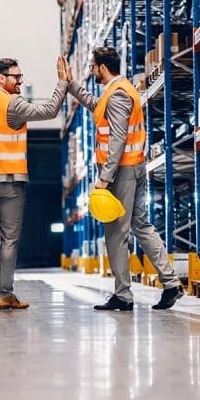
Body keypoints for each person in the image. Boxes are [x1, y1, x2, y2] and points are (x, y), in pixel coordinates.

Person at [63, 47, 183, 311]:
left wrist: (105, 178)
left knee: (116, 233)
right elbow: (97, 107)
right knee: (141, 224)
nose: (92, 71)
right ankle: (172, 283)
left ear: (103, 67)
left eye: (93, 67)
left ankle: (123, 295)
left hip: (122, 172)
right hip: (134, 167)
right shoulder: (121, 90)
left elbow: (117, 138)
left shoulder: (117, 95)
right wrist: (71, 85)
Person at [0, 56, 70, 310]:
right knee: (9, 239)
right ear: (1, 78)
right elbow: (49, 110)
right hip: (9, 181)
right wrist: (62, 83)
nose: (21, 81)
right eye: (16, 77)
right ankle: (5, 294)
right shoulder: (13, 103)